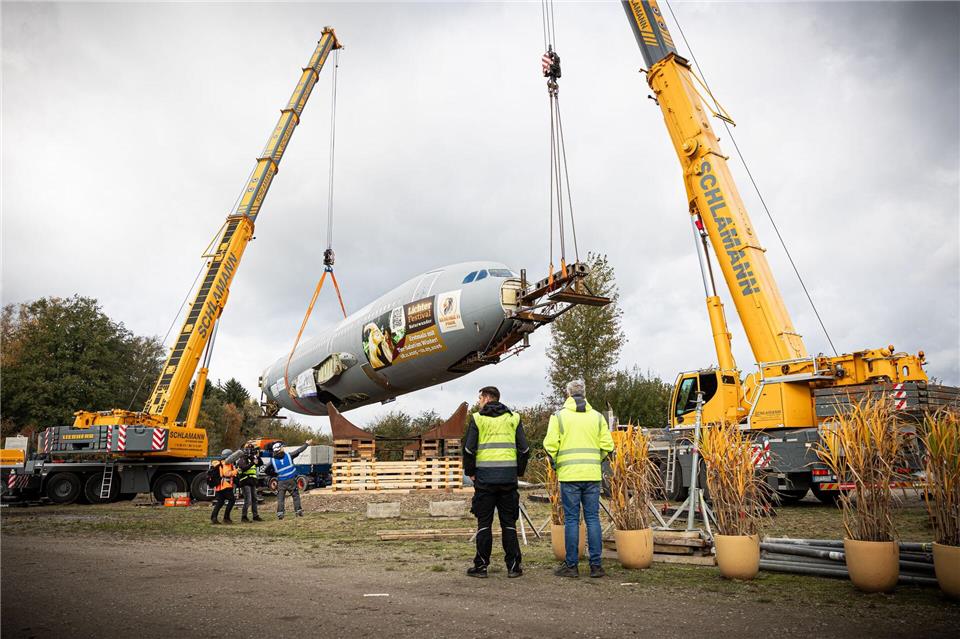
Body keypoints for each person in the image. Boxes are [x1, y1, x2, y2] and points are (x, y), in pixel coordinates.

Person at [543, 379, 615, 578]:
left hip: (569, 476)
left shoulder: (558, 417)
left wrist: (558, 464)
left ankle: (572, 566)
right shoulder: (598, 417)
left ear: (568, 393)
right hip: (592, 475)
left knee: (572, 520)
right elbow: (608, 446)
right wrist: (596, 461)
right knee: (593, 519)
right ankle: (596, 566)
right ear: (584, 393)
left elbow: (550, 446)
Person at [462, 386, 530, 578]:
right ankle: (514, 567)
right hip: (508, 480)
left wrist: (471, 472)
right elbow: (524, 450)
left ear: (486, 398)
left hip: (484, 480)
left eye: (480, 398)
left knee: (484, 523)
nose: (478, 402)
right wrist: (518, 472)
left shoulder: (478, 418)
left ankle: (481, 566)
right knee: (509, 523)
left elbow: (468, 449)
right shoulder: (513, 418)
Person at [270, 439, 314, 520]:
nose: (283, 448)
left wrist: (275, 474)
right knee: (295, 496)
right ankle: (298, 511)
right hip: (291, 480)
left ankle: (280, 514)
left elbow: (267, 470)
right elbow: (299, 451)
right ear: (280, 449)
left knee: (281, 498)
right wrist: (306, 444)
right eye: (282, 447)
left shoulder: (272, 461)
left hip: (281, 482)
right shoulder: (289, 455)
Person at [210, 448, 238, 525]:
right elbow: (227, 474)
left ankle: (214, 518)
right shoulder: (226, 463)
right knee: (232, 500)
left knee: (220, 502)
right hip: (225, 486)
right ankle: (226, 518)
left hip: (219, 486)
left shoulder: (220, 463)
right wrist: (236, 471)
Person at [236, 444, 263, 523]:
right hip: (245, 481)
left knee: (254, 499)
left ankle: (255, 516)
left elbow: (260, 463)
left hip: (252, 482)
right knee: (248, 500)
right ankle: (244, 517)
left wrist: (257, 456)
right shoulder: (242, 459)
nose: (251, 451)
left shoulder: (252, 458)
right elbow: (243, 468)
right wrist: (252, 463)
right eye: (250, 449)